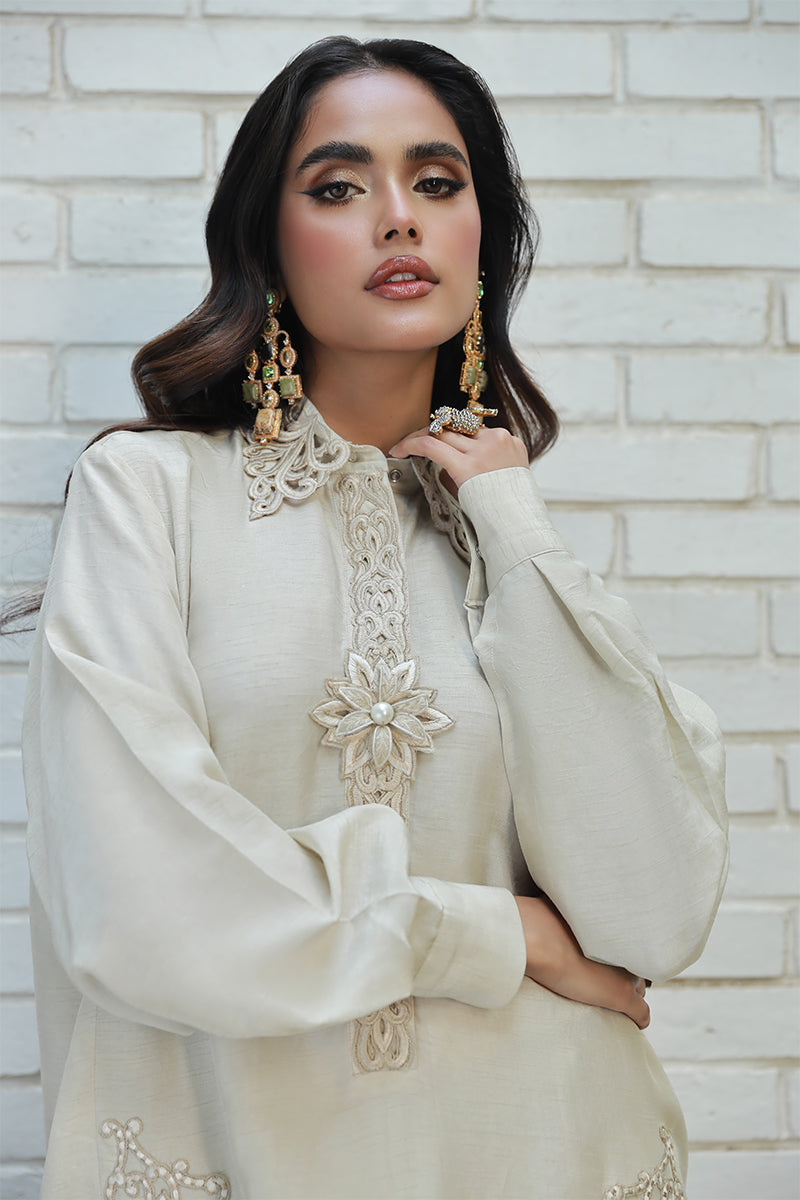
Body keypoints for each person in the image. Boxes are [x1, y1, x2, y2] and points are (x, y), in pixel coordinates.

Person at [21, 36, 729, 1200]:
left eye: (436, 182)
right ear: (267, 247)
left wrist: (509, 518)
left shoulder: (504, 537)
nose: (398, 217)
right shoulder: (148, 498)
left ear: (481, 244)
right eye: (339, 187)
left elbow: (650, 908)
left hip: (547, 1156)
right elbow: (139, 896)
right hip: (239, 1157)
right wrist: (500, 936)